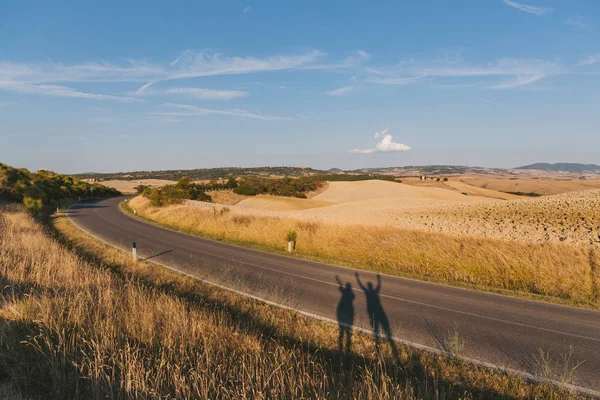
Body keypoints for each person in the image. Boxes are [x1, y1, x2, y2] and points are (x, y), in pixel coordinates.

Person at [335, 275, 355, 353]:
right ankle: (346, 347)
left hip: (345, 310)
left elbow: (341, 288)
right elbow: (341, 288)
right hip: (349, 310)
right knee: (347, 331)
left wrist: (338, 280)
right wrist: (338, 280)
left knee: (342, 331)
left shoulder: (349, 295)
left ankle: (342, 346)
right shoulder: (351, 295)